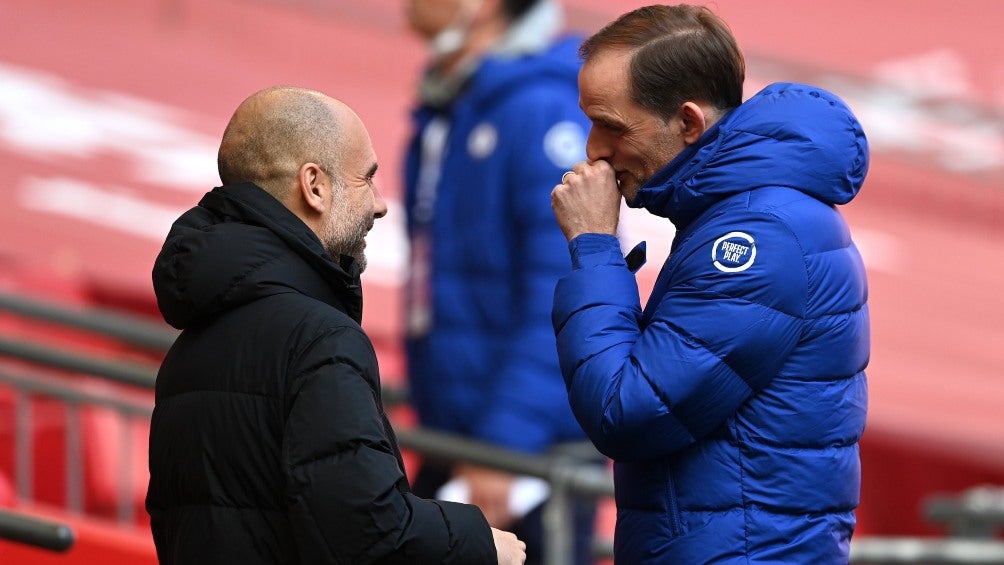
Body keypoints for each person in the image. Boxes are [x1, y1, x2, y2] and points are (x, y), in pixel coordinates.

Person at [145, 86, 526, 565]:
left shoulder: (194, 341)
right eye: (368, 180)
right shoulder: (318, 338)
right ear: (315, 186)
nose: (382, 205)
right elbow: (367, 528)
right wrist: (481, 542)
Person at [550, 5, 870, 564]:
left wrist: (596, 248)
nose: (593, 149)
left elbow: (625, 410)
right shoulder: (737, 212)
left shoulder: (759, 239)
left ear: (689, 124)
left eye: (612, 126)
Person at [400, 0, 597, 563]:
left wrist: (504, 444)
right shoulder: (453, 102)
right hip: (461, 441)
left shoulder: (538, 109)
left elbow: (562, 293)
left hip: (519, 459)